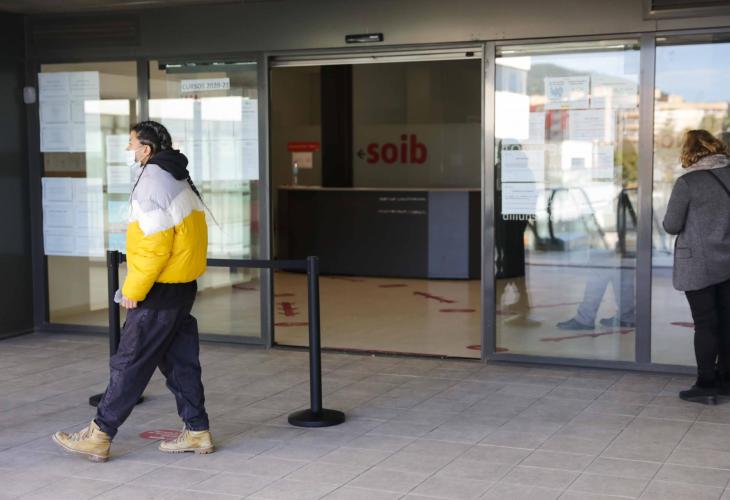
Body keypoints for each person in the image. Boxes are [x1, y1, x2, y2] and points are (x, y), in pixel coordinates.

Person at [52, 121, 214, 461]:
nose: (128, 149)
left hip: (160, 290)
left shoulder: (153, 181)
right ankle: (197, 430)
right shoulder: (176, 175)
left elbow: (154, 247)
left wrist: (134, 289)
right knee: (180, 362)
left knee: (130, 361)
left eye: (132, 143)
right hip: (182, 286)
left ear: (146, 149)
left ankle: (100, 434)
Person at [663, 129, 730, 405]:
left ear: (689, 151)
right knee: (726, 321)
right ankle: (726, 380)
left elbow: (671, 225)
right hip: (728, 261)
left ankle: (705, 385)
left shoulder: (688, 182)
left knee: (705, 324)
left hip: (699, 264)